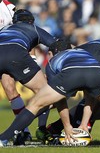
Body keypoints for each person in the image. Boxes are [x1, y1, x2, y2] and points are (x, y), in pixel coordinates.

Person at [0, 40, 100, 147]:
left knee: (35, 104)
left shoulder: (53, 62)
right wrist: (84, 124)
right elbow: (90, 96)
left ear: (51, 53)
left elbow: (60, 100)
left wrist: (67, 127)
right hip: (96, 70)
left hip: (71, 73)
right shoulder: (83, 53)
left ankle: (4, 138)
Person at [0, 9, 57, 145]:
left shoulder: (3, 29)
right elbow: (56, 44)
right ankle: (38, 129)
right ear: (31, 21)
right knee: (46, 93)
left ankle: (23, 132)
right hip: (16, 54)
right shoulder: (33, 28)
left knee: (10, 89)